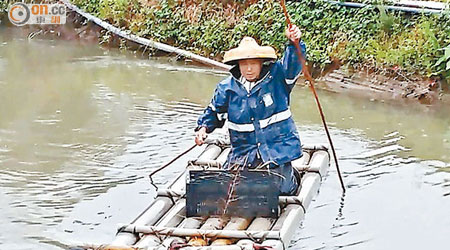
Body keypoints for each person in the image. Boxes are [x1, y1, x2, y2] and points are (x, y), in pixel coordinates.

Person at [194, 25, 306, 195]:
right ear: (238, 65)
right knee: (230, 191)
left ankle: (292, 178)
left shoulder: (277, 78)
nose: (249, 69)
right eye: (244, 64)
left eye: (253, 63)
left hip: (276, 150)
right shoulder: (227, 88)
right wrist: (203, 129)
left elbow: (294, 64)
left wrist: (294, 43)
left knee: (279, 190)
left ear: (261, 63)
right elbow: (214, 112)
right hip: (244, 153)